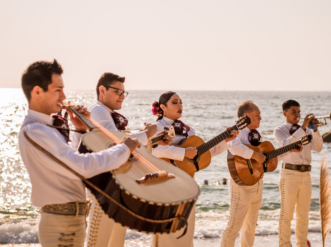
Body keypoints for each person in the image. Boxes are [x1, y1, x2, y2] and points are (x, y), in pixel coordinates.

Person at [18, 60, 141, 247]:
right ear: (37, 92)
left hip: (70, 220)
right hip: (61, 225)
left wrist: (81, 130)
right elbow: (82, 167)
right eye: (58, 90)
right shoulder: (36, 131)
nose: (64, 95)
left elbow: (72, 163)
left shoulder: (45, 128)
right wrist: (123, 149)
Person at [150, 91, 238, 247]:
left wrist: (225, 141)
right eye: (175, 102)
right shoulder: (156, 128)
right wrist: (184, 152)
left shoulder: (189, 131)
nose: (180, 105)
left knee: (185, 231)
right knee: (165, 233)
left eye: (181, 102)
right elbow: (154, 150)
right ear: (162, 107)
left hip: (187, 183)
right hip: (165, 182)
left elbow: (204, 154)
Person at [85, 72, 159, 247]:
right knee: (97, 242)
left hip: (115, 188)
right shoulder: (98, 111)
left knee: (114, 242)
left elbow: (121, 140)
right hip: (103, 189)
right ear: (102, 90)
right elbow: (116, 141)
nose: (122, 97)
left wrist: (147, 137)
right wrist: (146, 134)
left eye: (123, 92)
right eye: (117, 91)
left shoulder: (106, 113)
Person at [273, 100, 323, 247]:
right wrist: (303, 127)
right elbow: (285, 145)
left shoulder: (308, 130)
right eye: (294, 112)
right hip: (289, 173)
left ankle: (302, 244)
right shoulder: (279, 130)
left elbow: (318, 148)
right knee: (286, 215)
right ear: (285, 113)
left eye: (299, 112)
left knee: (303, 216)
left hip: (306, 175)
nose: (297, 114)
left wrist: (314, 130)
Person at [220, 100, 266, 247]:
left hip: (257, 183)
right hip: (241, 186)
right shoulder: (237, 132)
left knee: (250, 228)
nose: (260, 118)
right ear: (245, 116)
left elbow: (264, 158)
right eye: (257, 115)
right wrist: (255, 155)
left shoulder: (255, 135)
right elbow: (234, 148)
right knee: (234, 226)